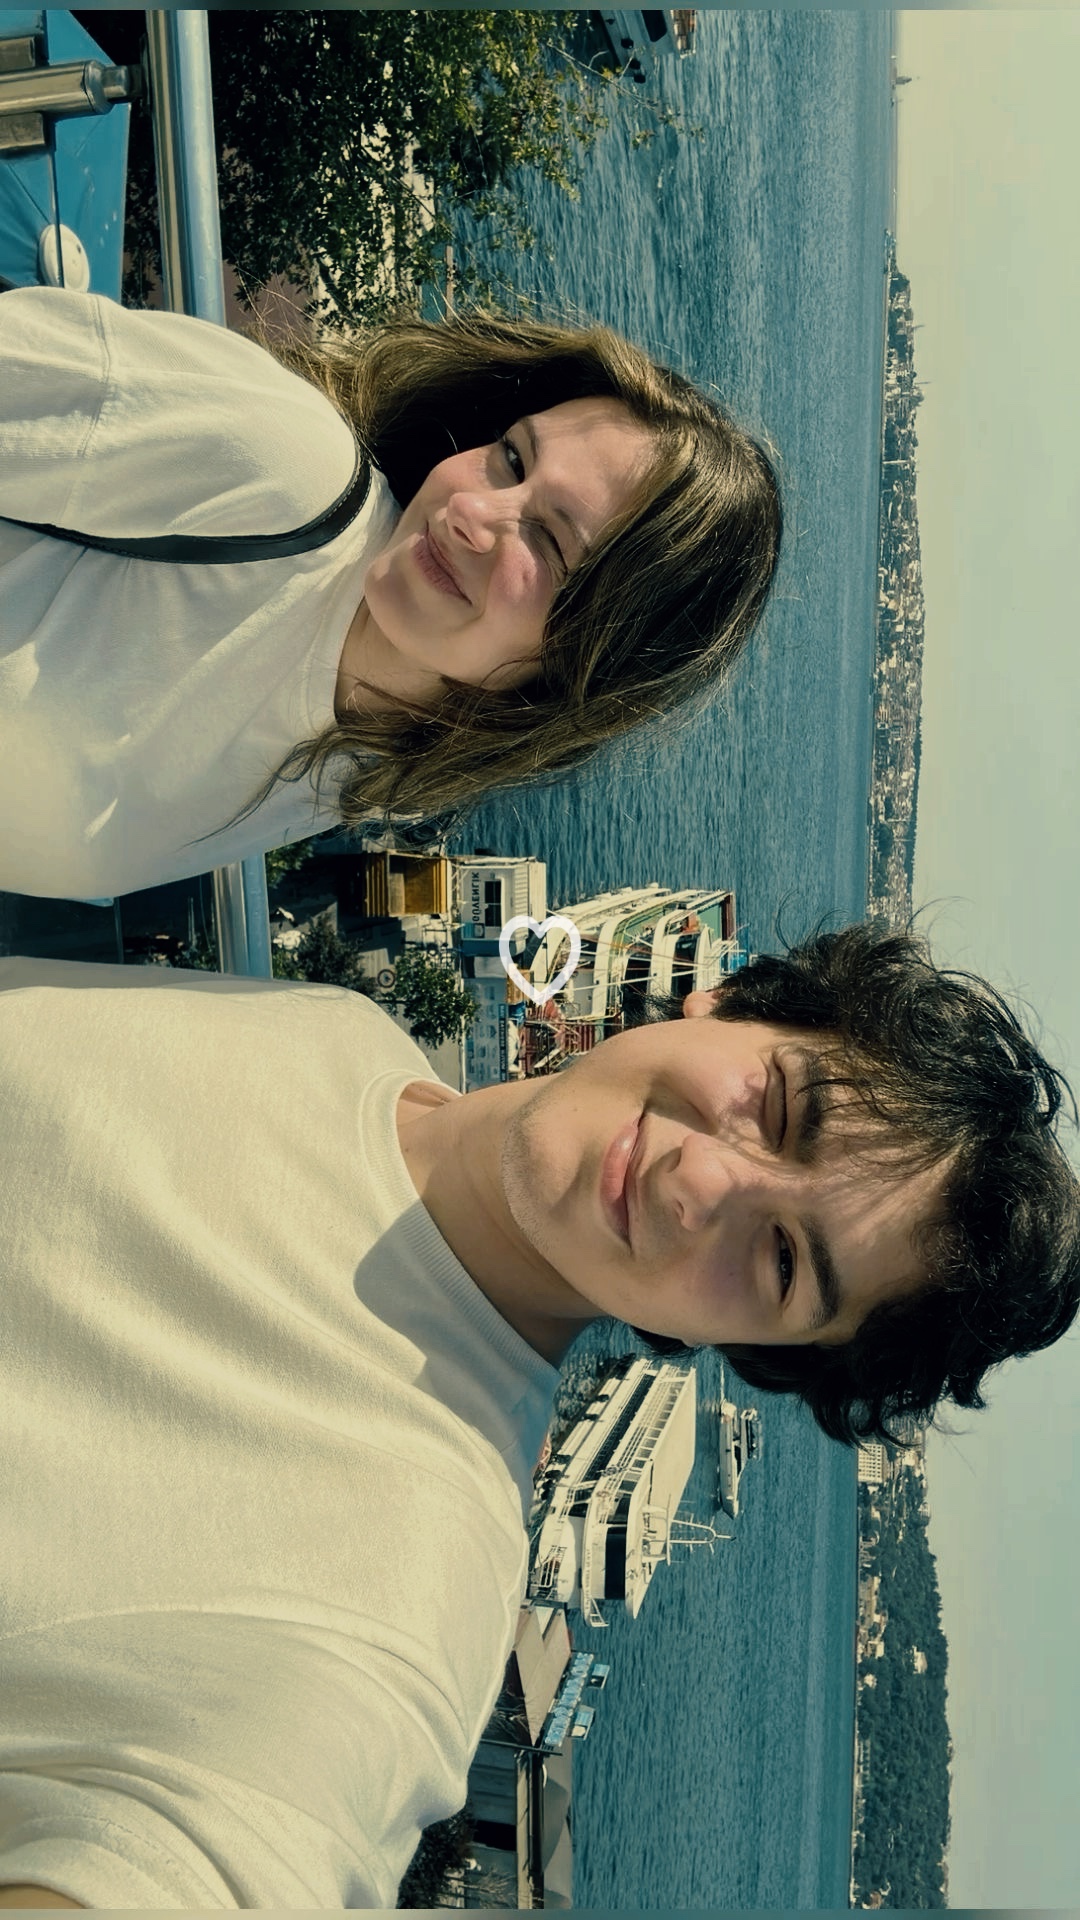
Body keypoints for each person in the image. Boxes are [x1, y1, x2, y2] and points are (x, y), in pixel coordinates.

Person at [1, 922, 1077, 1910]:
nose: (699, 1179)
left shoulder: (400, 1594)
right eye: (781, 1109)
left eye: (784, 1261)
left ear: (753, 1351)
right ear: (728, 1002)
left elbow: (210, 1852)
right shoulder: (338, 1034)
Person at [0, 286, 782, 901]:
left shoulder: (364, 772)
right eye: (511, 458)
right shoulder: (278, 464)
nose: (471, 510)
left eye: (548, 541)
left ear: (592, 664)